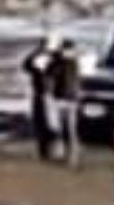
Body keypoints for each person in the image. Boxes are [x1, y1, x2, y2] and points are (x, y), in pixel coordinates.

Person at [48, 37, 82, 165]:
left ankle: (72, 154)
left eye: (69, 50)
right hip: (60, 98)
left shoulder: (72, 63)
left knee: (70, 128)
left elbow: (73, 79)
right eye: (66, 50)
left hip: (70, 98)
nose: (68, 52)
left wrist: (56, 58)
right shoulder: (59, 62)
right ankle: (64, 153)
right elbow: (50, 73)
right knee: (59, 127)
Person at [23, 35, 56, 161]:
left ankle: (48, 150)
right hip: (41, 93)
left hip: (47, 93)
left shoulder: (51, 57)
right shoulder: (42, 57)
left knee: (47, 123)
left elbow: (26, 66)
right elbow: (26, 66)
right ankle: (44, 150)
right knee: (41, 122)